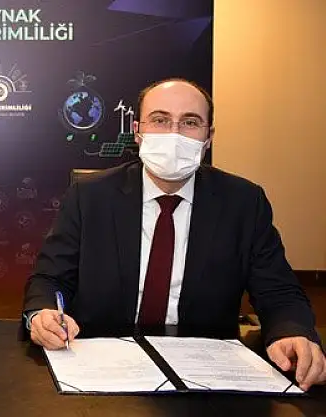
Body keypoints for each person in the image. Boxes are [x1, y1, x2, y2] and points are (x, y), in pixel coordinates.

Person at [23, 79, 325, 390]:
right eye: (160, 120)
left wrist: (292, 332)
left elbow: (278, 290)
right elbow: (50, 279)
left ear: (209, 137)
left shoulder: (244, 202)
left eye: (190, 123)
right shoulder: (89, 196)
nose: (174, 134)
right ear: (137, 131)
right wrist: (42, 314)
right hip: (102, 362)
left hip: (206, 372)